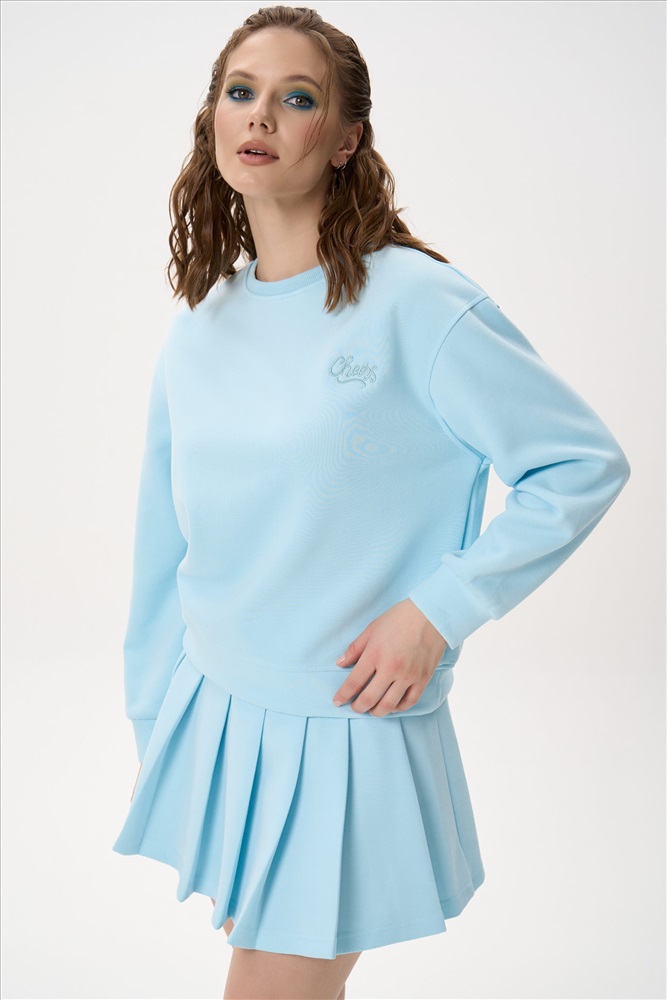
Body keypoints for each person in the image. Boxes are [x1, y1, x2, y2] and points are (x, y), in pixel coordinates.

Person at [111, 6, 631, 999]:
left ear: (345, 139)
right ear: (212, 119)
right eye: (240, 91)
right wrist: (158, 735)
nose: (261, 114)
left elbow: (577, 463)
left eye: (296, 97)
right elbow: (161, 552)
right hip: (217, 716)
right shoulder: (202, 327)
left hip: (345, 721)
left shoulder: (417, 305)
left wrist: (437, 609)